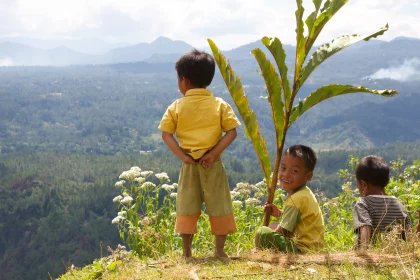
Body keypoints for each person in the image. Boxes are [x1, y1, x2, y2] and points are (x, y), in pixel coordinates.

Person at [158, 49, 241, 259]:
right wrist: (213, 154)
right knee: (219, 205)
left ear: (184, 81)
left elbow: (166, 135)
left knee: (187, 206)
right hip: (212, 163)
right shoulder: (220, 104)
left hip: (190, 165)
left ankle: (187, 253)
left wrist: (183, 157)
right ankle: (219, 252)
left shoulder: (177, 106)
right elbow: (232, 132)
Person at [255, 145, 324, 253]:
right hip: (312, 249)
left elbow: (283, 231)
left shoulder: (296, 199)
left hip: (301, 250)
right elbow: (298, 221)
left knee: (262, 232)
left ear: (308, 176)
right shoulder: (305, 193)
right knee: (273, 225)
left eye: (294, 171)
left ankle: (259, 252)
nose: (286, 174)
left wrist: (266, 238)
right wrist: (280, 213)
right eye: (283, 168)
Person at [353, 155, 413, 250]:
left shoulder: (363, 204)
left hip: (373, 258)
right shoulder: (399, 204)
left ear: (364, 185)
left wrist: (363, 253)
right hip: (395, 256)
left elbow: (365, 227)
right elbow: (409, 234)